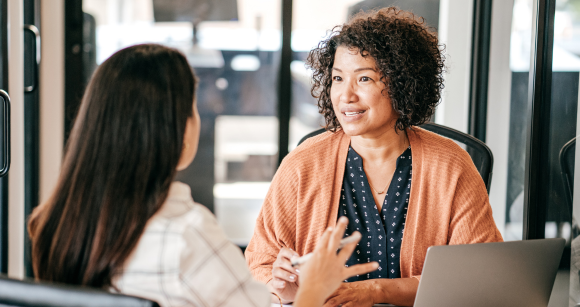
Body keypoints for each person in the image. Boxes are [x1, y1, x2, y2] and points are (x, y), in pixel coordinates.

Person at [27, 44, 377, 307]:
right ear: (177, 131)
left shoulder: (54, 223)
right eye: (194, 108)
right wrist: (314, 288)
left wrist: (285, 293)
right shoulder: (187, 234)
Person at [245, 7, 503, 307]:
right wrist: (282, 287)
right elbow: (259, 264)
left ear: (402, 82)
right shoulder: (303, 164)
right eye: (338, 78)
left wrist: (376, 291)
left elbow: (476, 277)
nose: (346, 95)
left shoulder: (450, 165)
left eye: (364, 79)